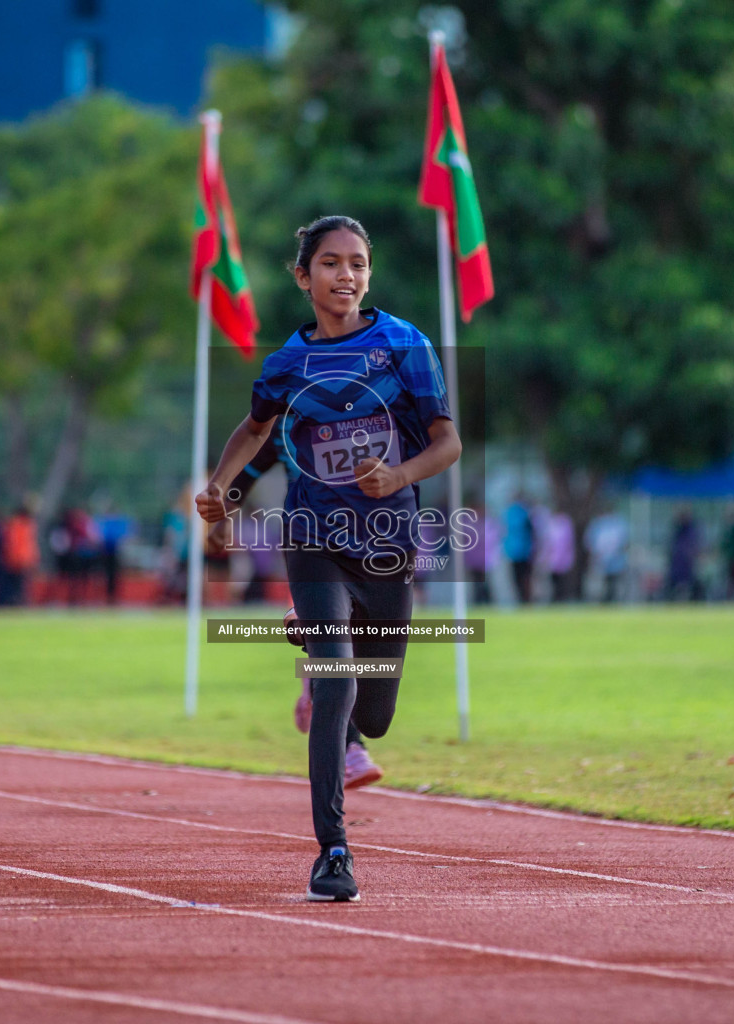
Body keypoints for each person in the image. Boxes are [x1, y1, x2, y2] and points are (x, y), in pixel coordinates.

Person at [196, 216, 461, 902]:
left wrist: (396, 478)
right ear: (303, 276)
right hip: (312, 537)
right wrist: (220, 488)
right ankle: (333, 852)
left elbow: (446, 443)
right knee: (337, 679)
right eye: (332, 263)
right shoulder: (288, 361)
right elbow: (256, 430)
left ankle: (321, 647)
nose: (347, 275)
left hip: (387, 548)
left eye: (359, 264)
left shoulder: (404, 345)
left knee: (373, 717)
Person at [215, 419, 383, 789]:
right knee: (335, 643)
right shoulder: (284, 428)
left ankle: (314, 687)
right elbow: (246, 475)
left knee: (349, 645)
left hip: (364, 545)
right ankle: (352, 746)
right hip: (309, 548)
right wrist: (223, 514)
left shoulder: (365, 421)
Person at [585, 504, 629, 603]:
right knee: (603, 582)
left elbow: (624, 543)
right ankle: (603, 599)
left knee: (613, 581)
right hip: (602, 558)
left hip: (615, 559)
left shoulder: (618, 523)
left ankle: (612, 599)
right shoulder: (598, 524)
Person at [503, 496, 534, 603]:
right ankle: (525, 599)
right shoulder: (525, 514)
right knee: (524, 577)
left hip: (515, 551)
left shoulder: (509, 514)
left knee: (518, 578)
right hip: (524, 551)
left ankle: (522, 598)